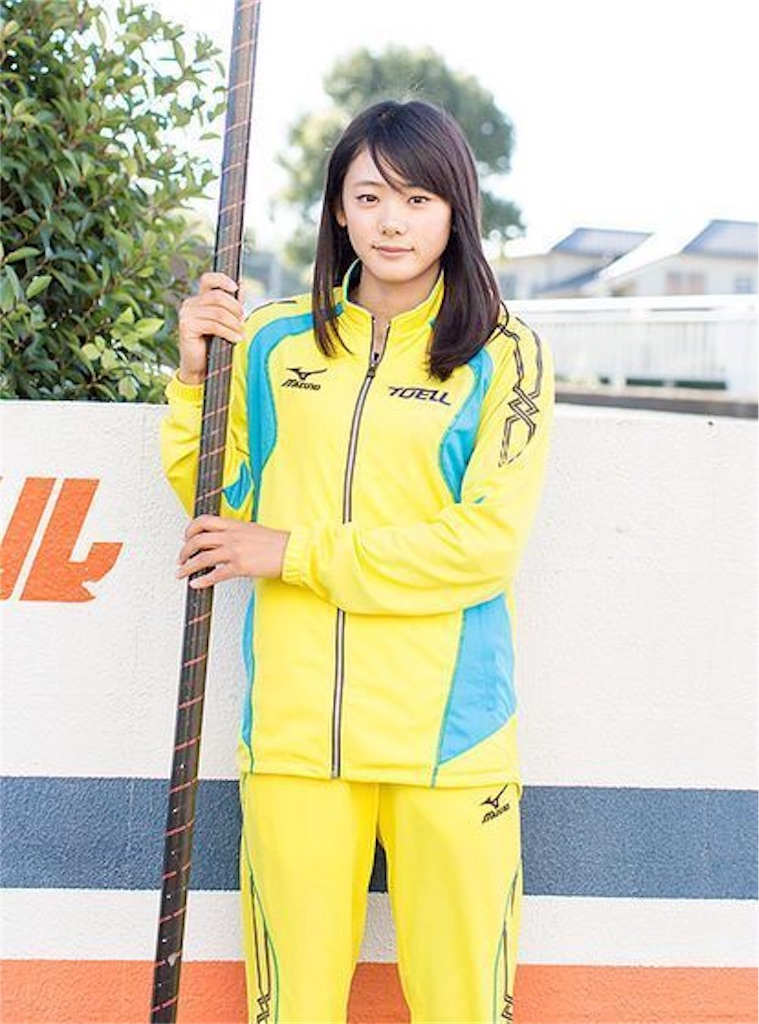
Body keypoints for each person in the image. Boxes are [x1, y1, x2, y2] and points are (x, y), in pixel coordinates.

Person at [160, 98, 554, 1024]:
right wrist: (193, 380)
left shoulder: (502, 354)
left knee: (463, 1009)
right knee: (290, 1009)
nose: (392, 222)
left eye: (418, 199)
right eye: (370, 196)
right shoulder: (271, 342)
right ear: (338, 208)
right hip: (297, 737)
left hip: (450, 739)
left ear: (454, 211)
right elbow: (224, 504)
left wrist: (294, 552)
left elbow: (483, 547)